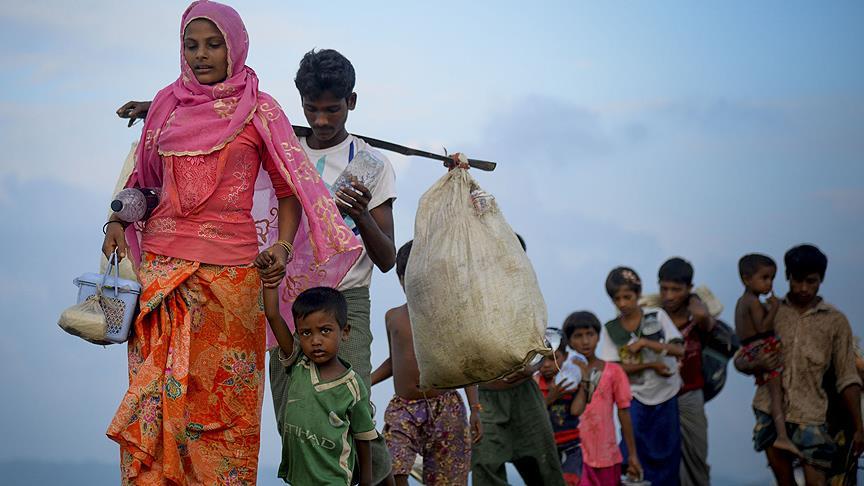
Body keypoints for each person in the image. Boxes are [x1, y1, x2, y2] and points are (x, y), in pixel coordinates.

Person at [103, 2, 361, 484]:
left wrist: (282, 250)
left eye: (213, 44)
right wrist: (116, 221)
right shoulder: (165, 105)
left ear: (235, 47)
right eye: (191, 45)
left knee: (223, 415)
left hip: (232, 287)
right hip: (163, 280)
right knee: (157, 408)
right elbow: (147, 185)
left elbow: (289, 190)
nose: (201, 55)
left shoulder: (261, 109)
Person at [268, 47, 398, 484]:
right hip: (291, 304)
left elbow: (386, 259)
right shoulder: (284, 151)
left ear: (352, 102)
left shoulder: (371, 165)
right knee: (296, 418)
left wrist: (361, 215)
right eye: (311, 109)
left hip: (345, 304)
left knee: (351, 409)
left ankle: (373, 477)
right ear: (299, 103)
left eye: (333, 109)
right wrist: (155, 108)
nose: (322, 121)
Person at [735, 244, 863, 486]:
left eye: (811, 281)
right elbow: (741, 358)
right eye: (797, 280)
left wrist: (858, 427)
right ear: (787, 277)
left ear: (821, 280)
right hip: (769, 413)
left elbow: (847, 377)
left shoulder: (835, 322)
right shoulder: (770, 314)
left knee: (817, 481)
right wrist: (755, 363)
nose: (803, 288)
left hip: (812, 415)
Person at [370, 240, 482, 485]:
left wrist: (475, 408)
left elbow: (465, 363)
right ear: (401, 280)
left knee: (448, 476)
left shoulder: (448, 316)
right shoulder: (393, 317)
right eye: (409, 278)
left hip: (445, 405)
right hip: (404, 408)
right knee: (394, 465)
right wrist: (365, 383)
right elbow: (394, 360)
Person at [471, 234, 566, 486]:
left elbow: (542, 344)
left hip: (525, 394)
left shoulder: (528, 299)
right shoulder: (470, 298)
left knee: (545, 467)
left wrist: (530, 369)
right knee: (486, 466)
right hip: (487, 399)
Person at [262, 285, 376, 485]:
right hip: (299, 478)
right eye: (306, 333)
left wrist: (367, 481)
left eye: (325, 331)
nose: (316, 340)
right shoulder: (298, 365)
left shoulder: (352, 386)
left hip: (334, 480)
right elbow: (272, 315)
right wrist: (270, 280)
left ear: (345, 331)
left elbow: (363, 437)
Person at [598, 267, 684, 486]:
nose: (623, 303)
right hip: (635, 396)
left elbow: (679, 350)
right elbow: (613, 368)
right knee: (634, 447)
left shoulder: (657, 316)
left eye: (628, 297)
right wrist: (651, 364)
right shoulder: (611, 329)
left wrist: (646, 343)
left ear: (638, 294)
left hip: (665, 393)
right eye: (617, 299)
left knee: (667, 449)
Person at [735, 253, 801, 459]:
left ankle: (781, 435)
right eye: (764, 278)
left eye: (772, 278)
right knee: (776, 395)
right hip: (761, 348)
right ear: (747, 279)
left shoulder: (742, 301)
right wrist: (775, 307)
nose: (769, 284)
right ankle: (782, 436)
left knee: (776, 393)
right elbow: (763, 327)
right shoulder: (752, 301)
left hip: (750, 349)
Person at [565, 311, 641, 486]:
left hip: (607, 454)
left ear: (598, 336)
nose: (585, 341)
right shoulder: (565, 373)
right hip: (574, 454)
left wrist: (632, 455)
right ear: (569, 341)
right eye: (578, 336)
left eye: (590, 334)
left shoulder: (614, 372)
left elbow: (624, 413)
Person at [657, 257, 714, 485]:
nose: (669, 295)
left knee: (695, 456)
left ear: (689, 289)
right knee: (659, 454)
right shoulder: (653, 317)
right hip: (657, 395)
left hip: (690, 394)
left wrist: (701, 313)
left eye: (676, 290)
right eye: (664, 288)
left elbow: (710, 327)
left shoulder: (697, 317)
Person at [535, 345, 583, 485]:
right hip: (544, 450)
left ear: (566, 356)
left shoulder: (571, 382)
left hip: (570, 447)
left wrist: (585, 381)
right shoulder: (534, 384)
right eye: (541, 359)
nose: (547, 364)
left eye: (553, 358)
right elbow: (532, 416)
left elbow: (576, 411)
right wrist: (551, 398)